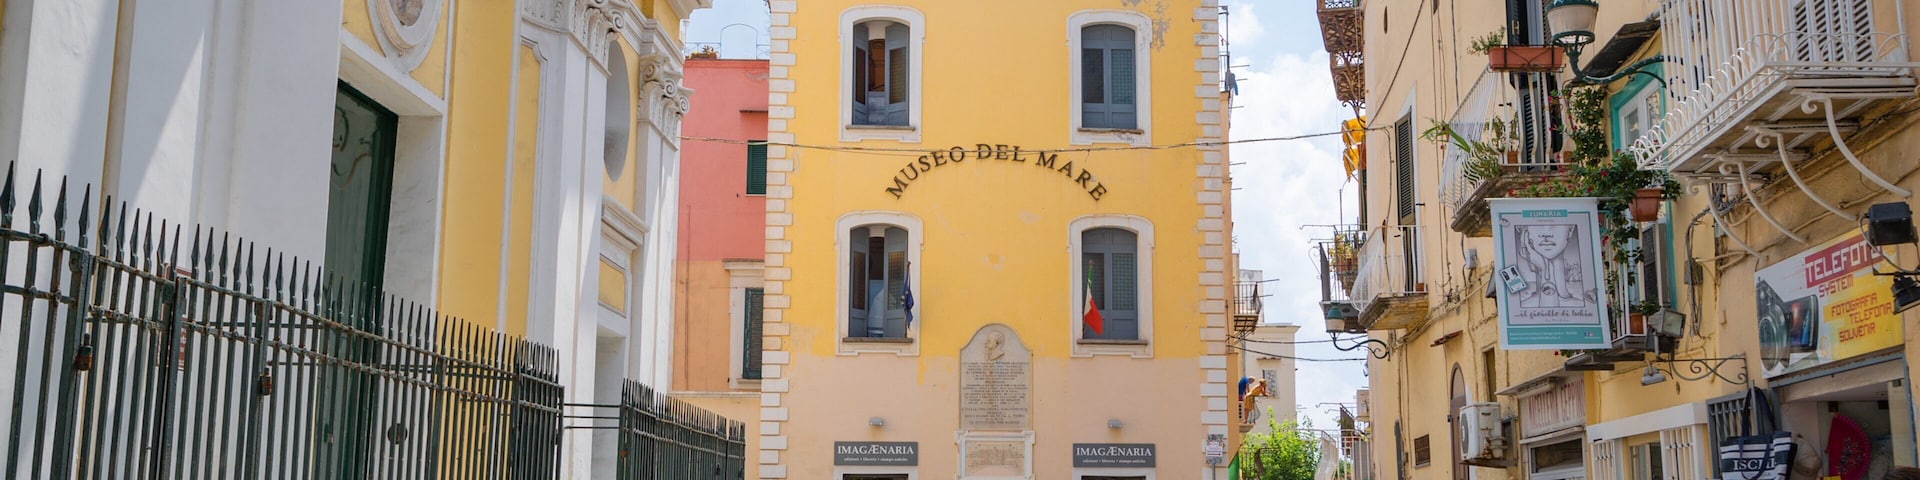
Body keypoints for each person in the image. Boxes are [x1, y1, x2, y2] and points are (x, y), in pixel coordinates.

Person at [1513, 223, 1595, 309]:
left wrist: (1545, 269)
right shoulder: (1517, 307)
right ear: (1523, 231)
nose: (1546, 234)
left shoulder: (1588, 307)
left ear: (1570, 230)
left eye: (1556, 224)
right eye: (1538, 225)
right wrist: (1545, 269)